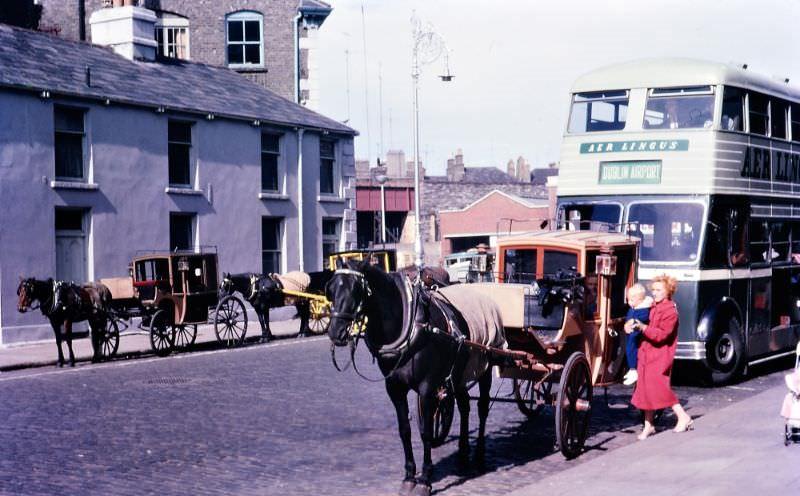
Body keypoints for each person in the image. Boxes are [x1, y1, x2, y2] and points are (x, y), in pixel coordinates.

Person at [627, 274, 693, 440]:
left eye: (658, 290)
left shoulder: (670, 311)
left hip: (659, 356)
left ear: (668, 291)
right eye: (654, 290)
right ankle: (649, 425)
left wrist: (643, 328)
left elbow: (661, 335)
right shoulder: (654, 306)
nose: (654, 293)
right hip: (646, 354)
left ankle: (683, 416)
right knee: (645, 389)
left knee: (659, 387)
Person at [622, 284, 653, 386]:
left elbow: (643, 318)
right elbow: (628, 317)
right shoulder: (634, 307)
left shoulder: (643, 309)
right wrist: (626, 324)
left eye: (631, 300)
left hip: (636, 333)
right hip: (631, 332)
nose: (629, 302)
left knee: (631, 348)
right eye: (628, 300)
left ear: (639, 300)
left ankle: (633, 369)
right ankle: (631, 368)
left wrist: (632, 321)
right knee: (628, 348)